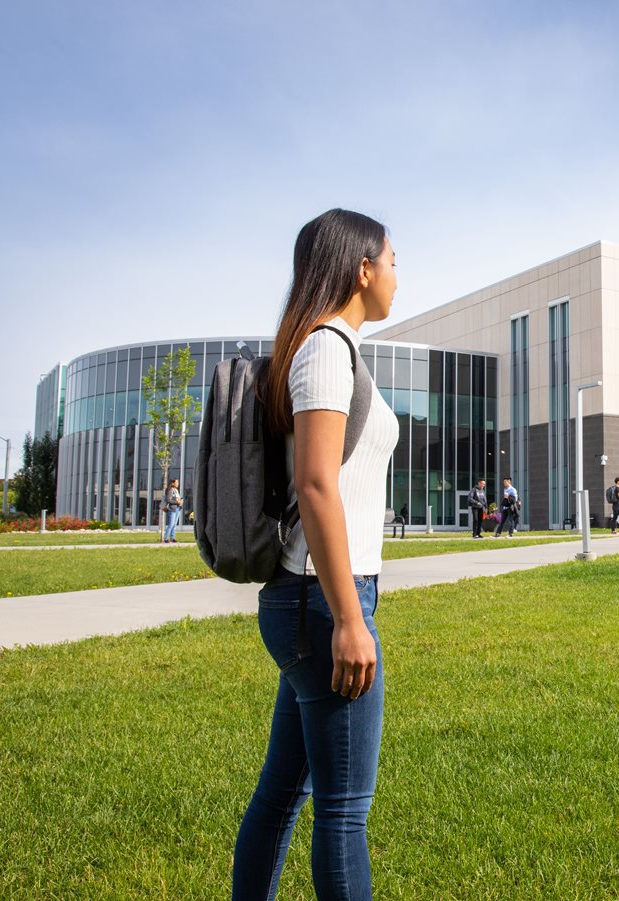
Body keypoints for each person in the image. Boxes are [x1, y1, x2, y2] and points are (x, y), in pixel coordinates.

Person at [232, 209, 399, 900]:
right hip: (325, 600)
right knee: (342, 807)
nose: (397, 274)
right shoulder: (328, 349)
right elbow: (316, 481)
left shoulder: (329, 348)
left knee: (285, 791)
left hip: (308, 599)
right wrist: (350, 621)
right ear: (362, 269)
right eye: (392, 259)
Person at [161, 478, 183, 543]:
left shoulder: (176, 490)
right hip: (172, 509)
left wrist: (181, 500)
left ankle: (172, 538)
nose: (178, 484)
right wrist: (177, 502)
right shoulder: (170, 490)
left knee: (174, 524)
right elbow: (168, 500)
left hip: (178, 508)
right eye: (177, 482)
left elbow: (177, 498)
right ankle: (165, 538)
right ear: (173, 483)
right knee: (171, 524)